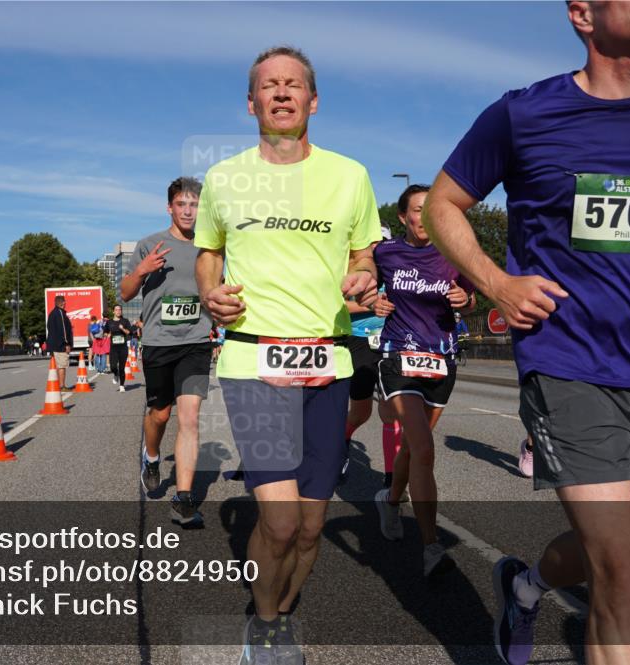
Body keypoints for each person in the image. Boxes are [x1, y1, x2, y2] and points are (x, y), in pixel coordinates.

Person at [422, 2, 630, 663]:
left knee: (606, 551)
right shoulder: (523, 113)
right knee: (625, 579)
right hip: (568, 362)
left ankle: (524, 586)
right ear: (582, 13)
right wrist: (497, 283)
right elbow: (443, 203)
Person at [194, 46, 380, 664]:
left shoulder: (350, 176)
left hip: (328, 361)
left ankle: (282, 607)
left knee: (309, 529)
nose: (281, 92)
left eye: (293, 84)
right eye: (268, 85)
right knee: (277, 524)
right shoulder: (224, 179)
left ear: (312, 100)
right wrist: (209, 294)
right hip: (254, 364)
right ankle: (267, 624)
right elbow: (208, 254)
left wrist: (362, 276)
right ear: (252, 104)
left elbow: (363, 255)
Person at [369, 185, 477, 578]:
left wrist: (466, 302)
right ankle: (431, 546)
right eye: (417, 210)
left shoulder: (454, 252)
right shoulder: (386, 253)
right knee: (423, 447)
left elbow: (472, 296)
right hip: (398, 356)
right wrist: (370, 301)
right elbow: (361, 285)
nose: (425, 217)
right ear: (403, 217)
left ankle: (391, 501)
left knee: (414, 451)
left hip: (441, 359)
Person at [122, 176, 213, 527]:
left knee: (189, 418)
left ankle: (184, 499)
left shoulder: (210, 247)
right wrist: (142, 271)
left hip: (196, 342)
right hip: (159, 342)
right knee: (160, 415)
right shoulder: (149, 245)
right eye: (182, 204)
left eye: (194, 205)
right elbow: (126, 293)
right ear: (170, 207)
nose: (188, 211)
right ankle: (153, 456)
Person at [343, 224, 396, 488]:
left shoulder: (398, 270)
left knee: (391, 412)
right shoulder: (353, 269)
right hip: (359, 340)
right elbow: (336, 302)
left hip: (390, 343)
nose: (377, 248)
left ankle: (391, 481)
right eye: (372, 243)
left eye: (382, 242)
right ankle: (342, 441)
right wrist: (369, 304)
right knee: (361, 413)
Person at [46, 295, 74, 391]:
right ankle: (62, 386)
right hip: (60, 345)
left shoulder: (52, 314)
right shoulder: (60, 313)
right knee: (62, 366)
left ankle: (58, 385)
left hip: (54, 345)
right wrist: (67, 343)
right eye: (64, 302)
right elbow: (63, 330)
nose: (65, 303)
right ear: (62, 303)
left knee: (58, 366)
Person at [105, 305, 132, 391]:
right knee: (113, 367)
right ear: (113, 311)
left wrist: (123, 329)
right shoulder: (109, 322)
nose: (118, 311)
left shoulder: (125, 321)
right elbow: (105, 332)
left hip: (123, 348)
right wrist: (107, 335)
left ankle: (122, 385)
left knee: (122, 367)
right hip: (114, 348)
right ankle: (116, 374)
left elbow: (129, 332)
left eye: (120, 310)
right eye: (116, 310)